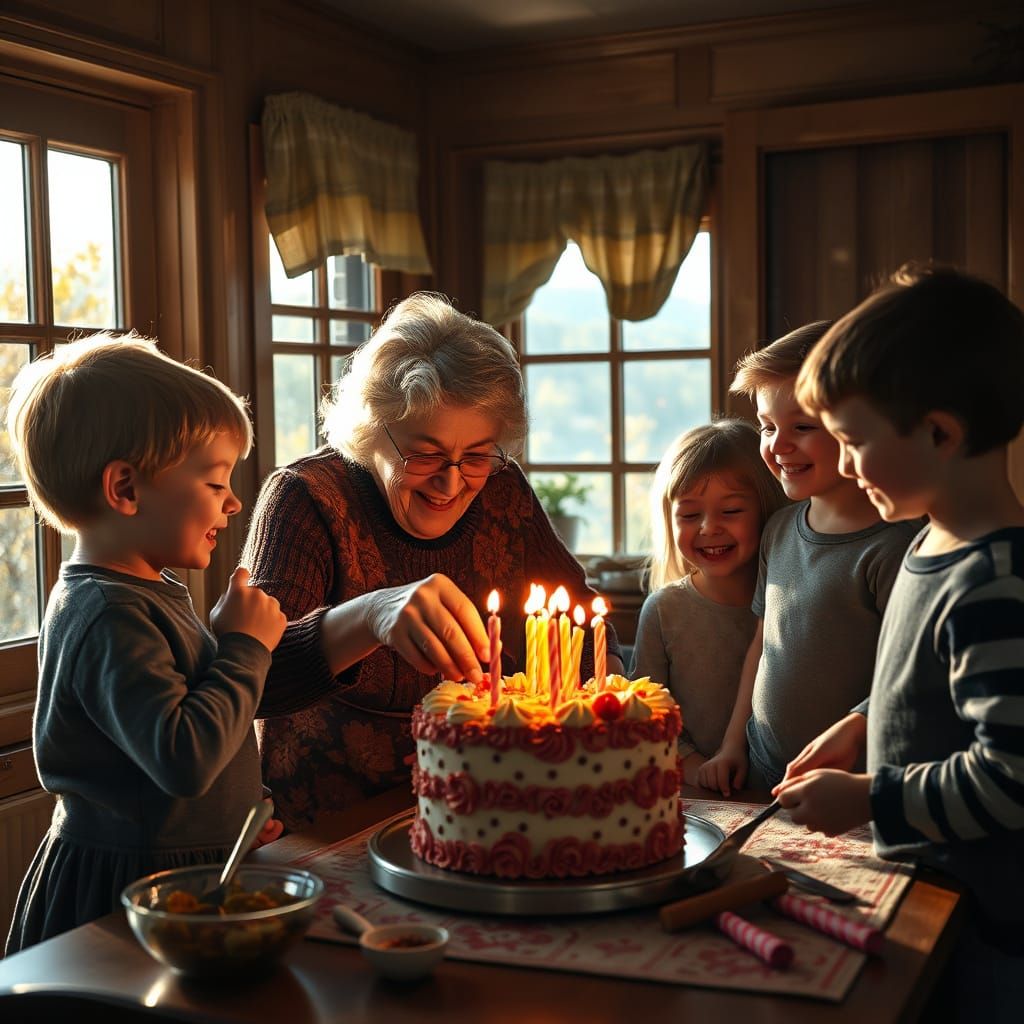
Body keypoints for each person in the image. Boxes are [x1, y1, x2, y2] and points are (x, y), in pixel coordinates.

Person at [242, 292, 621, 829]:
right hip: (326, 826)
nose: (451, 481)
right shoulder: (305, 497)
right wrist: (369, 615)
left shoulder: (502, 487)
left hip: (487, 811)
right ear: (373, 429)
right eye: (424, 455)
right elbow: (250, 681)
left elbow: (580, 638)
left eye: (476, 455)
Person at [772, 266, 1024, 1019]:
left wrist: (869, 798)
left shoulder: (996, 585)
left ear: (940, 433)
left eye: (852, 440)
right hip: (923, 895)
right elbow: (929, 685)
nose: (843, 465)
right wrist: (859, 725)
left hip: (983, 929)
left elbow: (1011, 778)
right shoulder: (929, 546)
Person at [4, 335, 286, 955]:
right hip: (127, 901)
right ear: (126, 489)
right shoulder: (108, 615)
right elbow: (182, 757)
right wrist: (244, 647)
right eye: (217, 483)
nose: (235, 503)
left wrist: (226, 827)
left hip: (181, 880)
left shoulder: (147, 594)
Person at [698, 321, 918, 795]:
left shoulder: (895, 545)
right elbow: (763, 644)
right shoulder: (778, 529)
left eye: (801, 427)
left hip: (847, 784)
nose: (777, 445)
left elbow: (907, 679)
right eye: (767, 427)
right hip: (761, 767)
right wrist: (733, 742)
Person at [630, 419, 787, 785]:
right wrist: (698, 769)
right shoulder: (663, 611)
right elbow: (647, 716)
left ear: (766, 507)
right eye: (689, 514)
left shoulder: (790, 604)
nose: (708, 527)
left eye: (730, 511)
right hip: (694, 793)